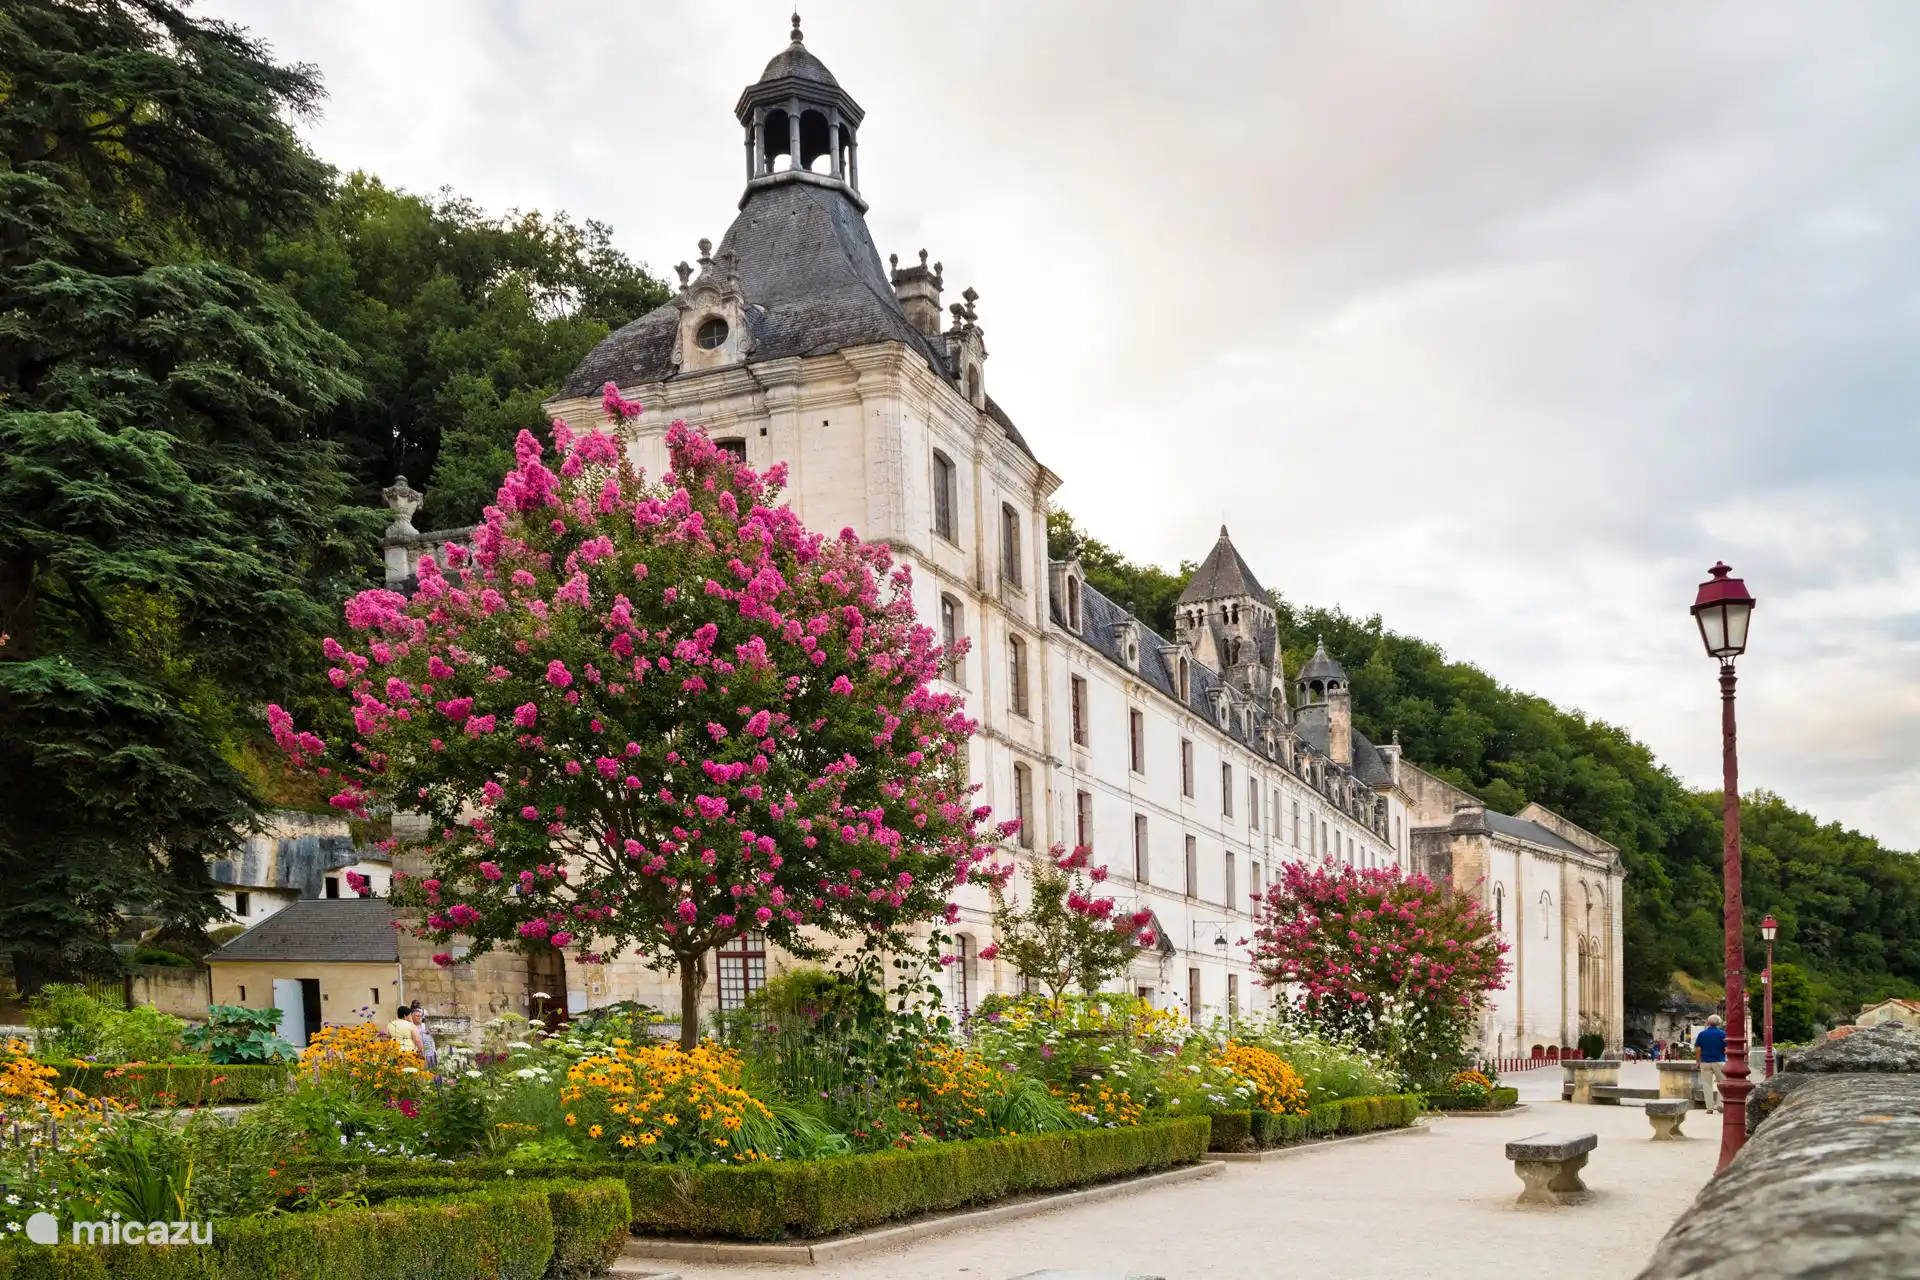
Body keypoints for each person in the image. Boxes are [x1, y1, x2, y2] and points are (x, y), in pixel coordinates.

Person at [1696, 1014, 1728, 1112]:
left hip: (1705, 1062)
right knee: (1722, 1083)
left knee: (1707, 1085)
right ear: (1719, 1023)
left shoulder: (1702, 1034)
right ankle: (1720, 1105)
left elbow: (1698, 1049)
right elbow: (1726, 1049)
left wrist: (1698, 1062)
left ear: (1708, 1022)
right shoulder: (1723, 1034)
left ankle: (1709, 1108)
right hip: (1719, 1061)